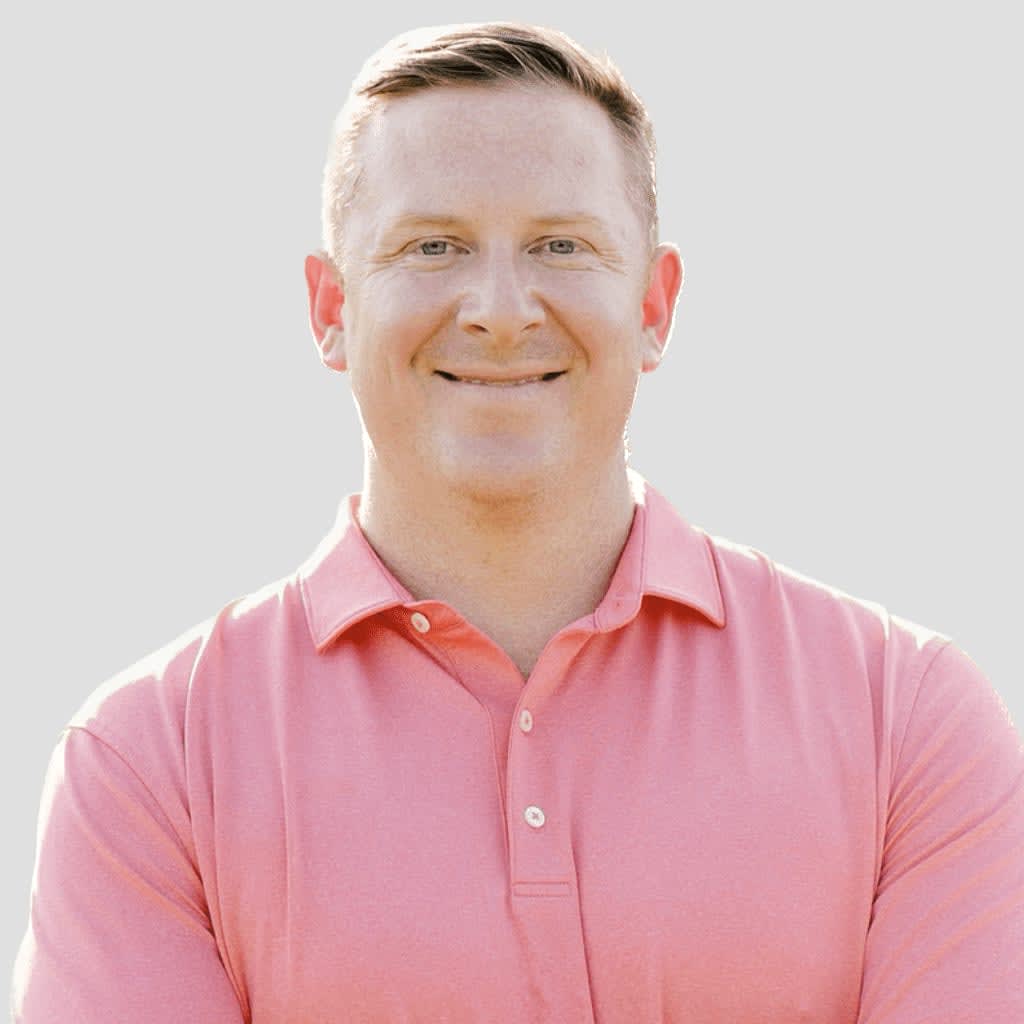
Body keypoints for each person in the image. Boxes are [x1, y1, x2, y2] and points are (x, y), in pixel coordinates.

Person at [11, 21, 1023, 1023]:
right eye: (433, 245)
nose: (500, 309)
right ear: (330, 309)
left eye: (560, 245)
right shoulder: (150, 765)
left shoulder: (907, 721)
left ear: (654, 306)